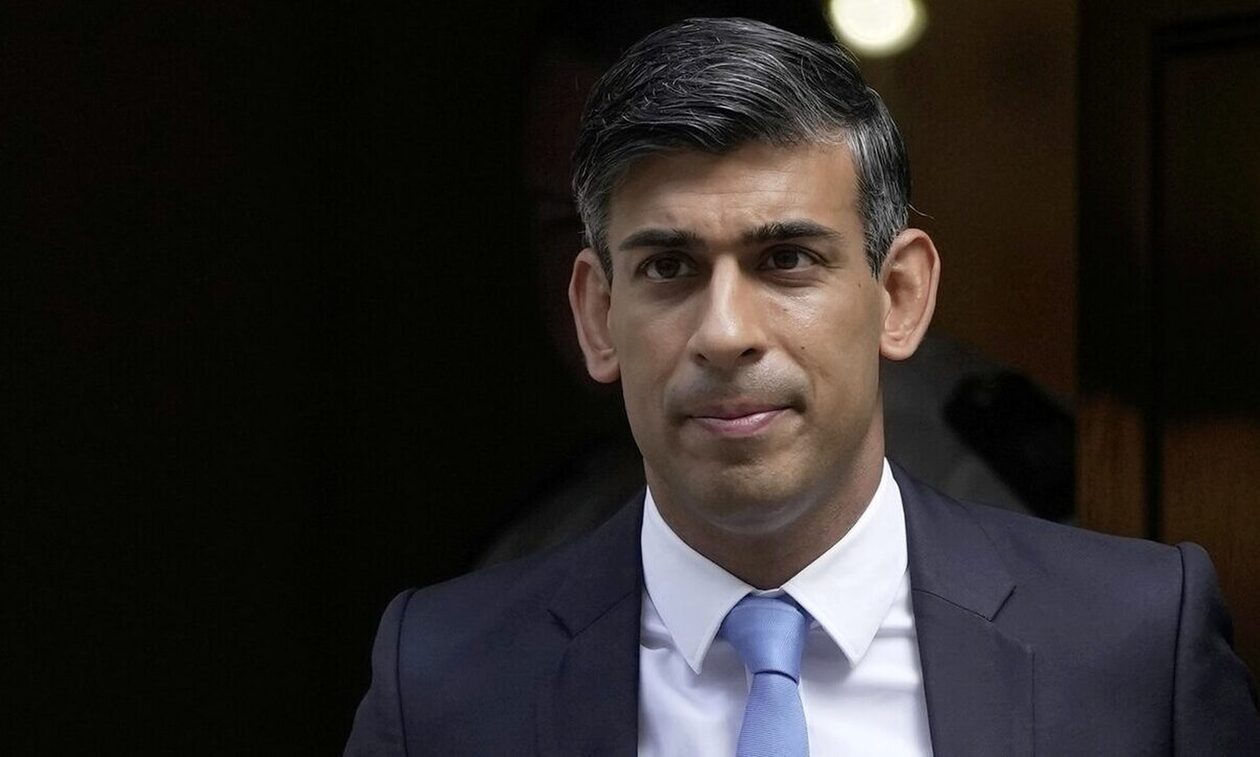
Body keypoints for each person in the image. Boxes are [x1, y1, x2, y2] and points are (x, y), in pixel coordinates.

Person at [344, 17, 1259, 756]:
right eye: (668, 267)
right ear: (596, 314)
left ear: (900, 296)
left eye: (786, 258)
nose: (725, 333)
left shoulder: (1133, 641)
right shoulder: (446, 676)